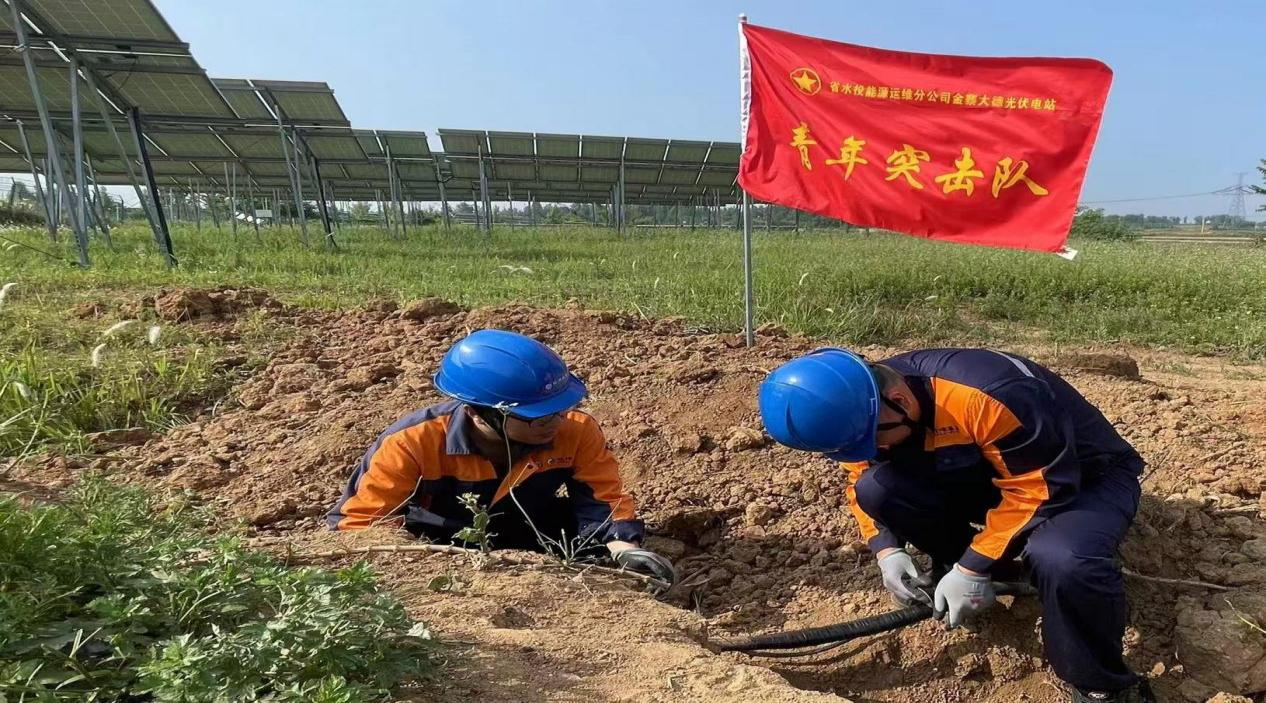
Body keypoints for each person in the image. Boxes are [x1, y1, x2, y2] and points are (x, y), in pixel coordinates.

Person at [758, 347, 1153, 703]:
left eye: (876, 441)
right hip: (989, 470)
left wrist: (971, 567)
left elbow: (1041, 487)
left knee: (1061, 559)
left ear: (897, 401)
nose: (876, 451)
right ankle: (1003, 574)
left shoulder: (988, 393)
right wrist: (886, 549)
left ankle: (1101, 685)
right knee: (876, 488)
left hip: (1081, 478)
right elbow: (859, 474)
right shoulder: (865, 407)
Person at [327, 328, 676, 587]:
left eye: (561, 409)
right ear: (481, 415)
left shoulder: (574, 430)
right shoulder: (412, 442)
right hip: (439, 543)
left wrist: (621, 546)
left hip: (526, 529)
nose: (556, 422)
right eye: (538, 416)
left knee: (588, 545)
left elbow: (604, 499)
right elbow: (361, 525)